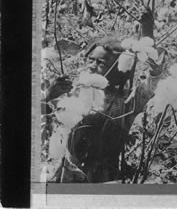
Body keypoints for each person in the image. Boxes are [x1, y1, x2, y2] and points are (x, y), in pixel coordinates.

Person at [45, 37, 162, 183]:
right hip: (66, 175)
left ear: (120, 71)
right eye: (91, 60)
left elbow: (152, 85)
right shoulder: (74, 91)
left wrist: (150, 53)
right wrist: (48, 95)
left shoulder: (126, 103)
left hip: (104, 179)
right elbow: (43, 117)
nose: (92, 66)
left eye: (100, 63)